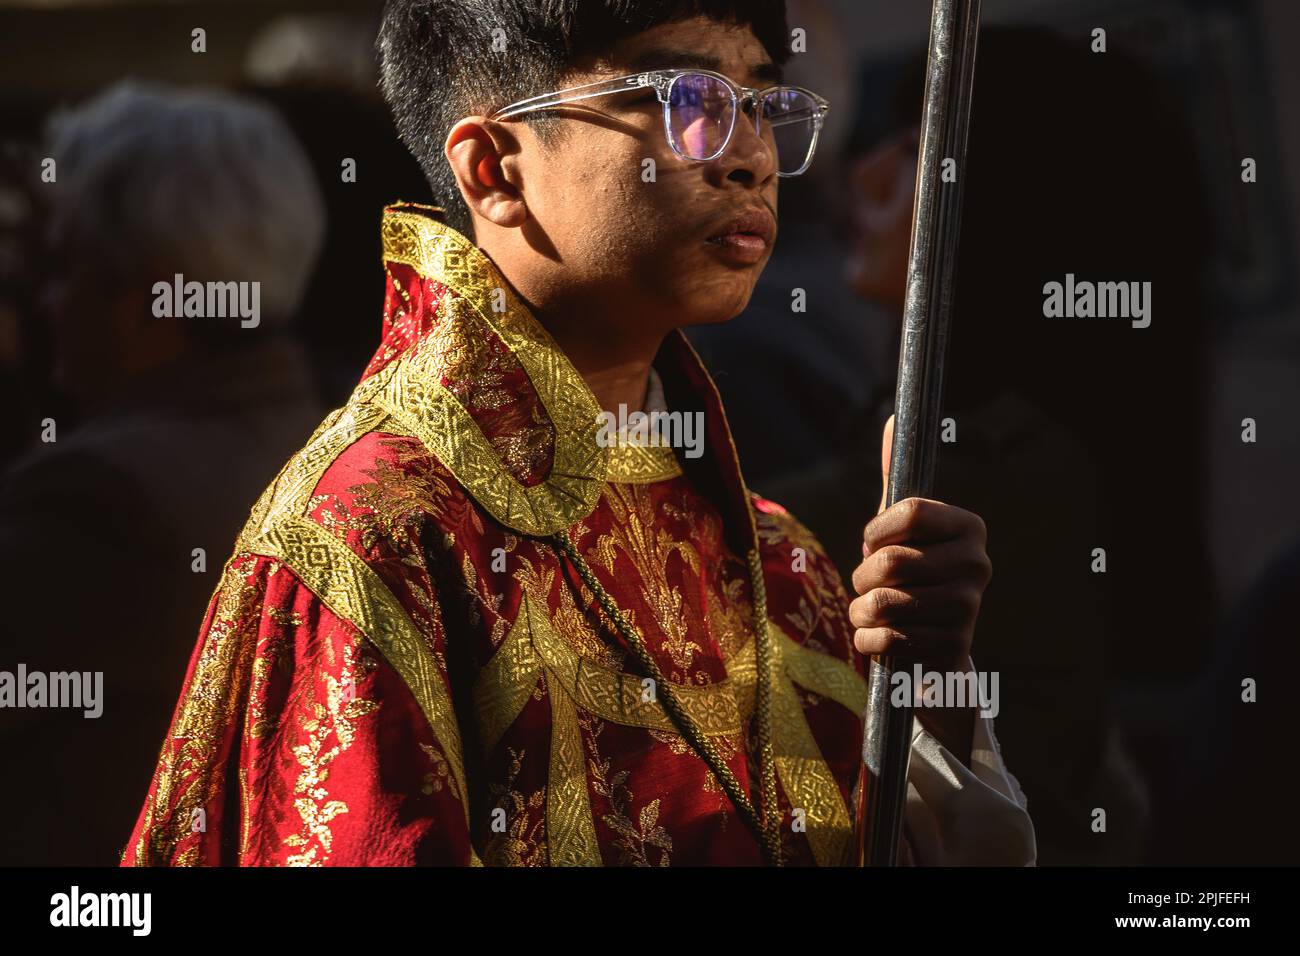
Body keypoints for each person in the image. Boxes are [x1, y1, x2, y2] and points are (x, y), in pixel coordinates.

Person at [121, 0, 1034, 867]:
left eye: (759, 102)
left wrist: (935, 688)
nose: (751, 155)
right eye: (687, 100)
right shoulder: (375, 534)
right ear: (495, 171)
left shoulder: (780, 561)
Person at [0, 82, 326, 864]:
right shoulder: (333, 442)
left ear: (145, 301)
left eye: (66, 267)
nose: (45, 305)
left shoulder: (91, 499)